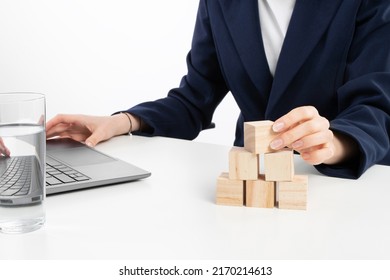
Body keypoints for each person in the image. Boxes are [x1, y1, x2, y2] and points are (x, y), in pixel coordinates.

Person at [46, 0, 390, 179]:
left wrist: (335, 143)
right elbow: (195, 98)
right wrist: (124, 121)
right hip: (249, 181)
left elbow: (375, 105)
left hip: (344, 181)